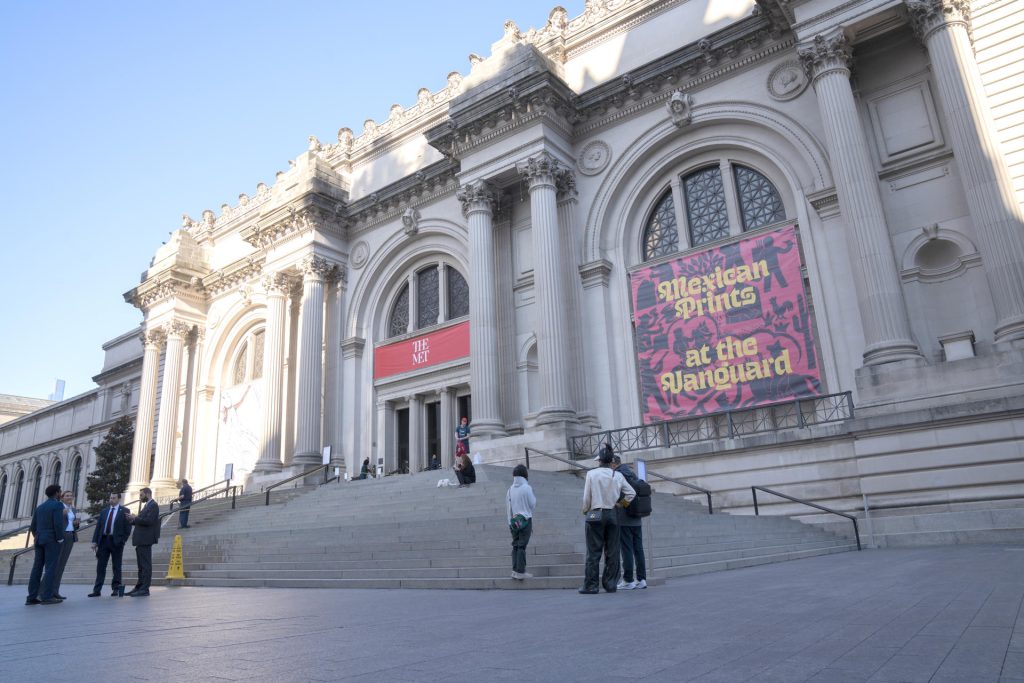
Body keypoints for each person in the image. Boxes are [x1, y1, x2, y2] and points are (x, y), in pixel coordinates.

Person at [579, 446, 635, 594]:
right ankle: (610, 584)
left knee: (593, 551)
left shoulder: (591, 474)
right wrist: (620, 504)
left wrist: (586, 510)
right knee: (613, 551)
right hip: (613, 514)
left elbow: (586, 497)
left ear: (599, 461)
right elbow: (631, 493)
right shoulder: (617, 475)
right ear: (611, 462)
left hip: (596, 513)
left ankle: (591, 585)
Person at [26, 484, 65, 605]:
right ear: (57, 493)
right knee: (50, 568)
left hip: (39, 539)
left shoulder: (40, 507)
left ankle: (31, 597)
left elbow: (33, 527)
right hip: (51, 540)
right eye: (60, 492)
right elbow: (58, 524)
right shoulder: (57, 505)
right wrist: (60, 538)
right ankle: (46, 596)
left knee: (36, 568)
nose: (61, 494)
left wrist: (38, 536)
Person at [612, 455, 647, 590]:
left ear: (614, 464)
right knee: (638, 549)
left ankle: (628, 580)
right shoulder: (632, 473)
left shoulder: (619, 475)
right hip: (637, 517)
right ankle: (642, 579)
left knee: (626, 549)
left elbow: (622, 493)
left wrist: (621, 504)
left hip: (625, 517)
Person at [89, 492, 131, 597]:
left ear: (119, 499)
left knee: (116, 566)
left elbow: (128, 527)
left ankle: (116, 588)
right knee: (100, 566)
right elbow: (98, 527)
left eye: (114, 498)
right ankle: (97, 590)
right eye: (110, 498)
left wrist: (123, 540)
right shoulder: (104, 511)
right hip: (103, 541)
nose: (111, 500)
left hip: (116, 541)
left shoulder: (124, 511)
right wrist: (94, 541)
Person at [127, 487, 160, 597]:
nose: (140, 497)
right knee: (141, 565)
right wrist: (131, 520)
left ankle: (145, 588)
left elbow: (149, 521)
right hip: (140, 540)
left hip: (146, 539)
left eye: (141, 495)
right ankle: (139, 586)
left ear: (147, 494)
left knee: (145, 565)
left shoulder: (153, 505)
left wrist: (135, 518)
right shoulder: (147, 506)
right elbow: (141, 521)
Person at [507, 464, 537, 580]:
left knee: (515, 545)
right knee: (521, 546)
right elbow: (532, 504)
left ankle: (515, 570)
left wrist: (510, 522)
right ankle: (520, 571)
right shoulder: (527, 488)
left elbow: (508, 507)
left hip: (513, 521)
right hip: (525, 520)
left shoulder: (509, 490)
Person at [53, 490, 81, 600]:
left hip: (70, 537)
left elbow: (73, 525)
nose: (70, 497)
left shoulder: (73, 509)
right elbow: (55, 521)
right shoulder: (59, 507)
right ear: (62, 497)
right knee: (55, 565)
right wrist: (61, 514)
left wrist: (76, 524)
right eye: (67, 495)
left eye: (71, 495)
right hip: (60, 537)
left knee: (62, 566)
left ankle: (55, 591)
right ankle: (44, 591)